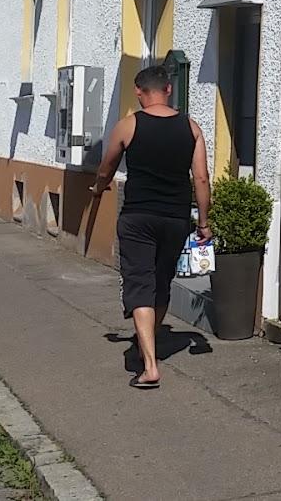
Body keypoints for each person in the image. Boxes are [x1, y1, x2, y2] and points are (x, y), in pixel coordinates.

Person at [92, 65, 211, 389]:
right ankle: (150, 343)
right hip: (175, 218)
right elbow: (201, 178)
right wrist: (203, 222)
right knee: (160, 282)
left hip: (138, 217)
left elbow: (107, 168)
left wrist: (98, 188)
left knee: (139, 281)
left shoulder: (128, 126)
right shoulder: (191, 128)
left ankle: (149, 365)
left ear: (139, 92)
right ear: (169, 90)